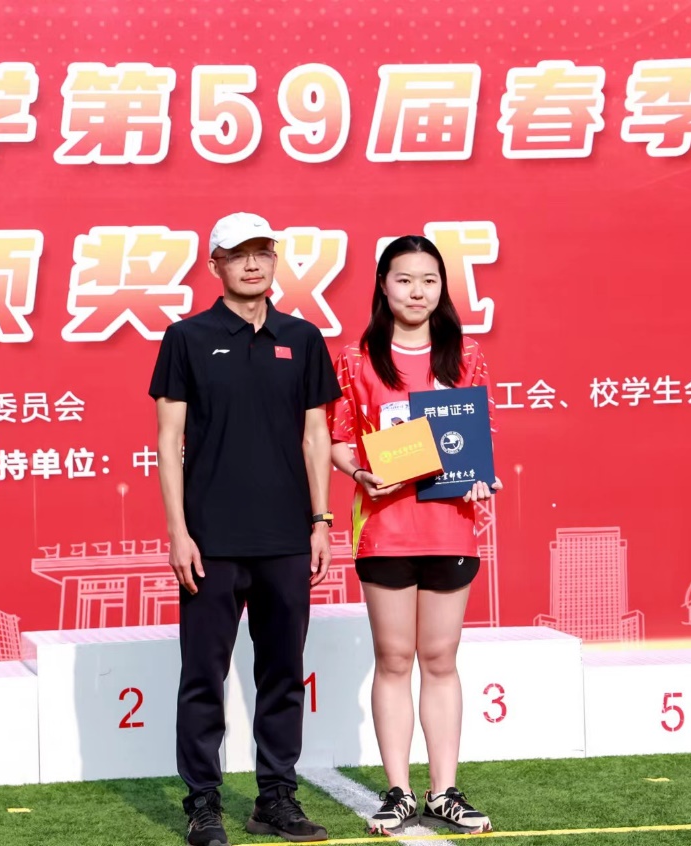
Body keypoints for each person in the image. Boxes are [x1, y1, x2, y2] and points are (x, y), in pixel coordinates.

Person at [149, 212, 342, 846]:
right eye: (238, 254)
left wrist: (320, 520)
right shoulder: (187, 337)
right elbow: (169, 440)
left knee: (283, 673)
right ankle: (202, 803)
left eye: (263, 252)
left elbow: (316, 436)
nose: (253, 264)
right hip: (211, 541)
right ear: (216, 265)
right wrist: (178, 532)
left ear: (275, 260)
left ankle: (275, 799)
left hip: (287, 538)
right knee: (202, 676)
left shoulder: (303, 338)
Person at [327, 235, 500, 836]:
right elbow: (340, 439)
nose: (417, 291)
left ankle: (444, 791)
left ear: (442, 288)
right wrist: (358, 472)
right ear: (383, 285)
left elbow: (478, 435)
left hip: (451, 525)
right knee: (395, 658)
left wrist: (480, 478)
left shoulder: (465, 354)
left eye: (429, 280)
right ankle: (399, 791)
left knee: (441, 658)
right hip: (385, 527)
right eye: (404, 279)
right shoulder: (357, 358)